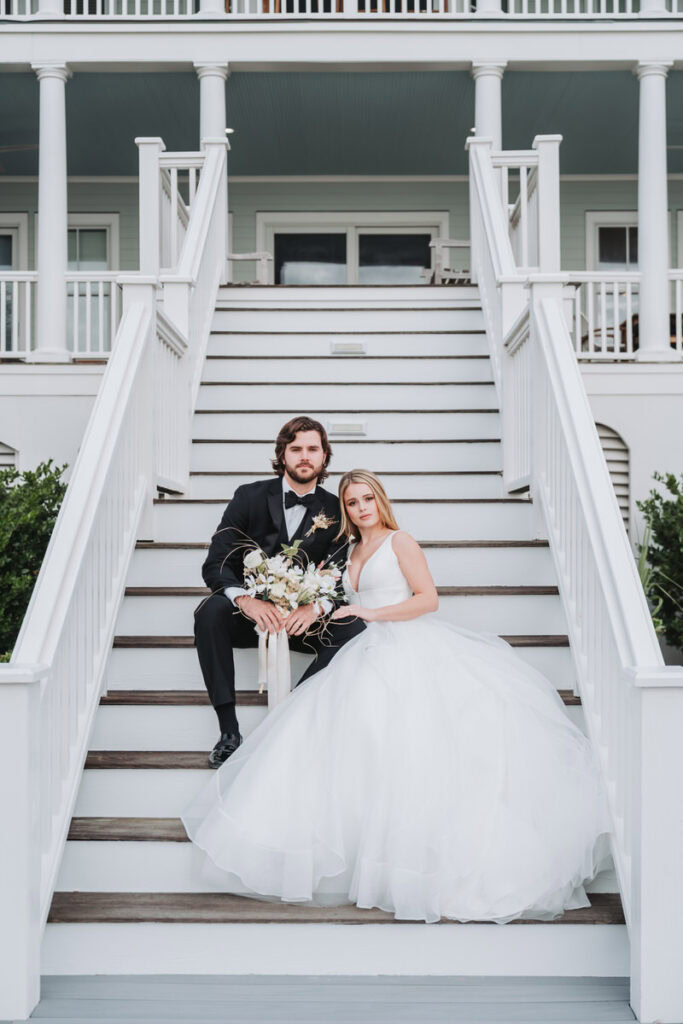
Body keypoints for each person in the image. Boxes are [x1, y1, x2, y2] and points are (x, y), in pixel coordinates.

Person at [183, 469, 612, 924]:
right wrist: (319, 604)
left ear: (380, 500)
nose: (361, 508)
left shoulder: (400, 541)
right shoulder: (348, 549)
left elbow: (428, 599)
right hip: (366, 643)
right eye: (352, 502)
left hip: (405, 641)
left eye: (367, 499)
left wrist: (370, 611)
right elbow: (334, 594)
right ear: (344, 509)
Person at [193, 417, 365, 768]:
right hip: (253, 615)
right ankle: (228, 731)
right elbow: (215, 563)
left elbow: (338, 572)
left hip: (303, 621)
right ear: (282, 455)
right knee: (209, 612)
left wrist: (315, 607)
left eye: (312, 449)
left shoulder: (336, 509)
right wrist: (245, 599)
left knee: (354, 631)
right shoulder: (248, 496)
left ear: (324, 456)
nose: (305, 456)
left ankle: (290, 721)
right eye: (296, 448)